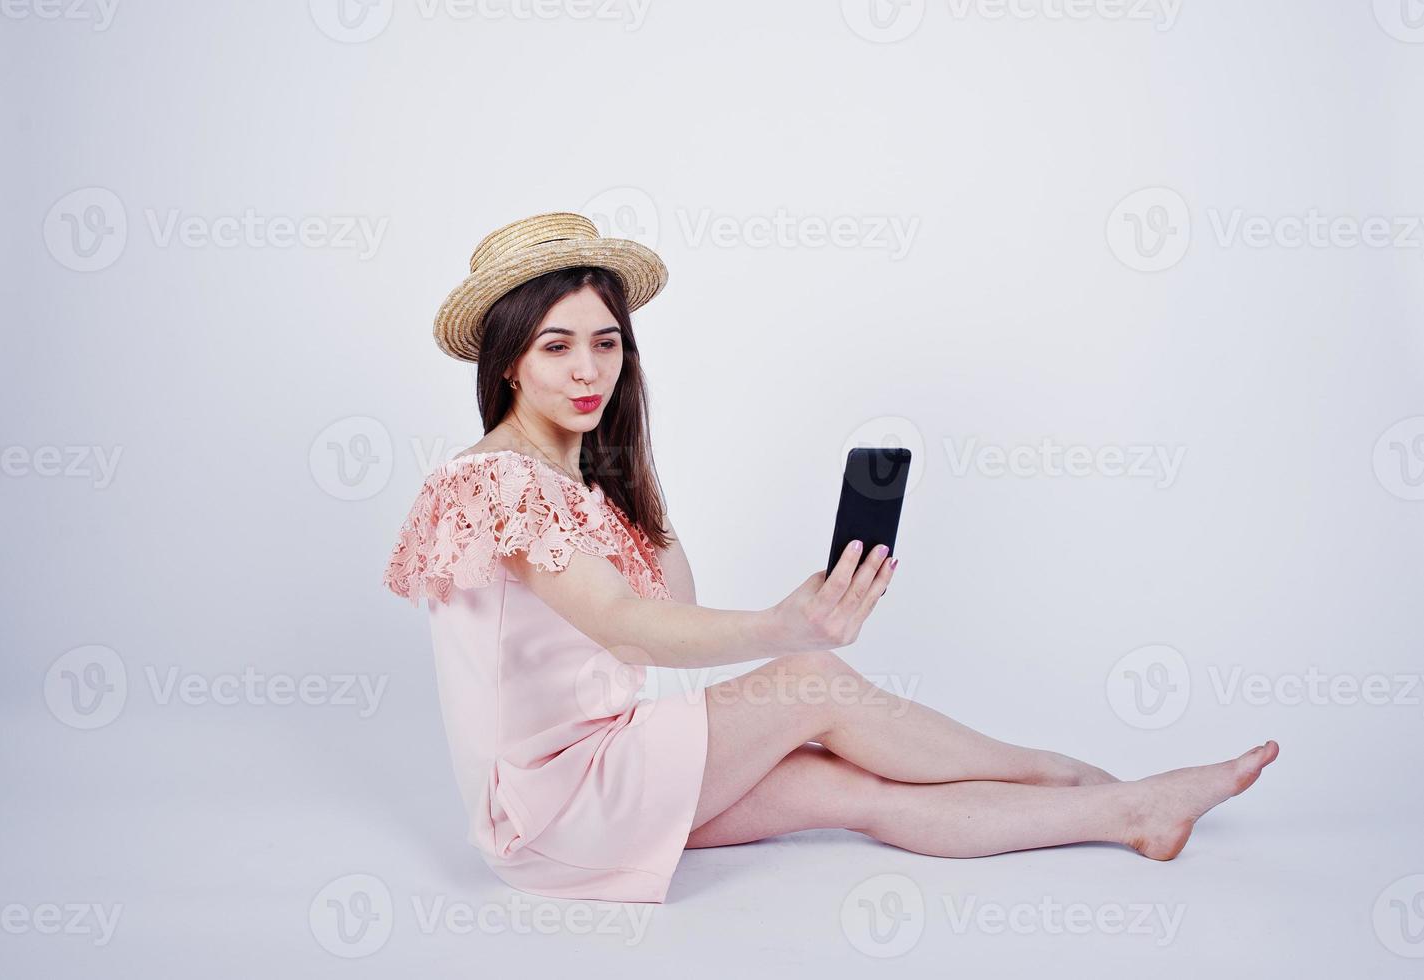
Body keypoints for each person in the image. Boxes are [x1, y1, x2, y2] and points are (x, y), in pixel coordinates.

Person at [383, 211, 1280, 905]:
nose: (589, 370)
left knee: (846, 790)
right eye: (556, 346)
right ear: (507, 362)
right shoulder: (493, 481)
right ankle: (1060, 770)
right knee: (809, 677)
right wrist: (784, 627)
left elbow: (670, 600)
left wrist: (623, 474)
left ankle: (1127, 811)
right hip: (556, 802)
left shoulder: (577, 480)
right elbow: (628, 627)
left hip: (597, 782)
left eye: (606, 342)